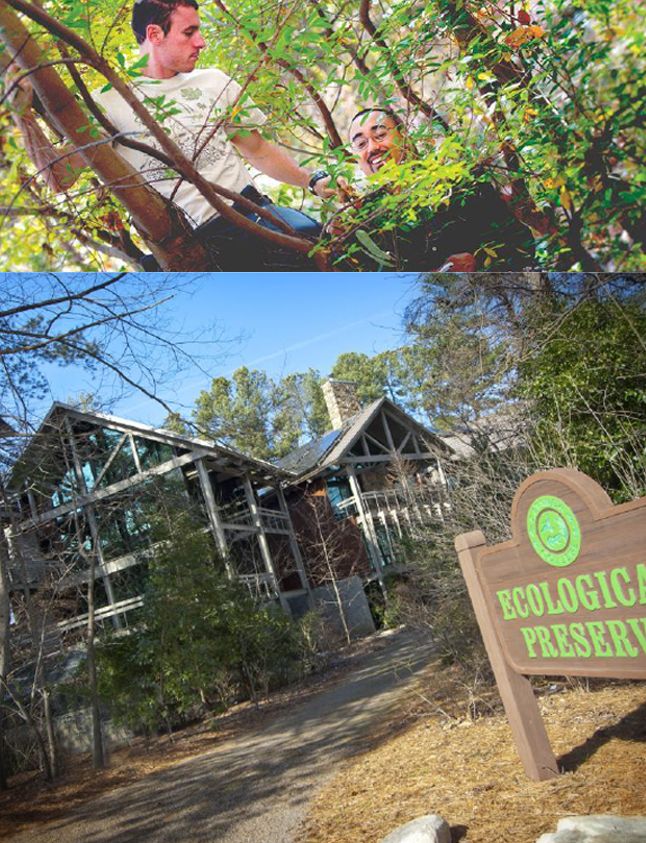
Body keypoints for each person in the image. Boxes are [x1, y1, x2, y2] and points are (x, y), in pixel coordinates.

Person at [8, 0, 337, 270]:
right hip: (195, 242)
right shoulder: (106, 104)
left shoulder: (213, 81)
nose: (201, 42)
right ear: (155, 34)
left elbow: (259, 150)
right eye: (189, 32)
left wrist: (312, 180)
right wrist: (24, 117)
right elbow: (58, 177)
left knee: (317, 242)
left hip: (255, 213)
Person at [330, 107, 535, 271]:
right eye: (361, 144)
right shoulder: (367, 219)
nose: (372, 148)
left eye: (380, 134)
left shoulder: (457, 181)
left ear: (405, 137)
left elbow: (521, 244)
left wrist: (479, 263)